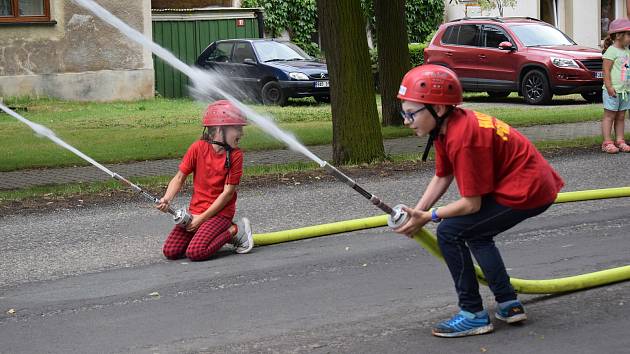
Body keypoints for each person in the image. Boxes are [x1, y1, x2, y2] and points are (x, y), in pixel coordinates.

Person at [394, 64, 564, 338]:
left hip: (528, 190)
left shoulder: (463, 137)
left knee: (450, 231)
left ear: (437, 109)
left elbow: (471, 205)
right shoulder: (446, 127)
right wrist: (418, 211)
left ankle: (473, 313)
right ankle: (508, 303)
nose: (406, 120)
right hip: (525, 184)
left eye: (410, 113)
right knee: (476, 232)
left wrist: (430, 216)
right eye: (404, 112)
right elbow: (443, 174)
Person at [157, 100, 253, 261]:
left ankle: (234, 230)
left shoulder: (236, 155)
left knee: (196, 252)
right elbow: (179, 177)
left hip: (220, 214)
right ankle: (210, 233)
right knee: (171, 251)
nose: (241, 133)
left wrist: (202, 219)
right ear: (219, 130)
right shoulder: (197, 148)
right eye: (237, 128)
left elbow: (228, 193)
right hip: (195, 211)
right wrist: (167, 199)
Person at [601, 18, 630, 153]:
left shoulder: (627, 51)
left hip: (625, 91)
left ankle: (620, 140)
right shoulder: (611, 51)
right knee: (609, 116)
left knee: (621, 116)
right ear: (619, 35)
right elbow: (606, 70)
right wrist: (609, 86)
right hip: (612, 90)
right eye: (629, 35)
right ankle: (607, 142)